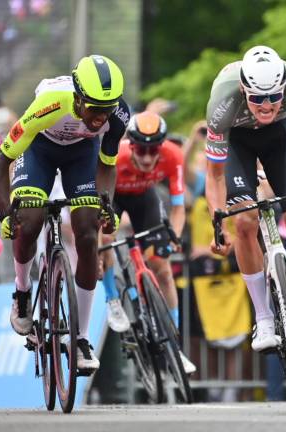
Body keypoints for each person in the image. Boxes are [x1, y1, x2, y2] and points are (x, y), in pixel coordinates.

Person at [0, 55, 130, 372]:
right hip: (38, 148)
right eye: (93, 108)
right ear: (78, 98)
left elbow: (107, 165)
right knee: (31, 218)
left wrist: (106, 204)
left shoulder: (118, 115)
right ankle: (23, 293)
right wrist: (4, 214)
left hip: (82, 155)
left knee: (87, 232)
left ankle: (80, 339)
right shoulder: (49, 104)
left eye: (106, 110)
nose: (99, 117)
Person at [203, 45, 286, 357]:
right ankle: (263, 319)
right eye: (257, 98)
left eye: (273, 97)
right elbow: (213, 175)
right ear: (243, 89)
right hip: (237, 141)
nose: (266, 105)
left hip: (281, 136)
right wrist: (217, 220)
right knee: (244, 222)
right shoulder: (222, 103)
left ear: (283, 88)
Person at [97, 110, 197, 373]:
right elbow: (98, 207)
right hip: (114, 199)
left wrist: (173, 236)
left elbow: (178, 208)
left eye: (154, 150)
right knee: (106, 236)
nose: (148, 157)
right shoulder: (115, 156)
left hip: (145, 201)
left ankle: (175, 348)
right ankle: (112, 300)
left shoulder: (173, 155)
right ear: (131, 145)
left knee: (161, 267)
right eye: (141, 150)